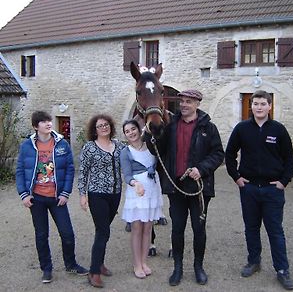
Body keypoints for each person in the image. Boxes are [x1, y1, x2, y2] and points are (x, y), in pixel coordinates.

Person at [145, 89, 224, 286]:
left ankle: (198, 267)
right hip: (176, 187)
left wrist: (202, 168)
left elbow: (218, 154)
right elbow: (158, 149)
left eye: (189, 101)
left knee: (199, 229)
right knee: (177, 229)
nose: (184, 105)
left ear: (197, 103)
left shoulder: (208, 128)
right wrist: (150, 136)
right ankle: (178, 268)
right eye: (182, 102)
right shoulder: (170, 126)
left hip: (199, 188)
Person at [225, 90, 293, 291]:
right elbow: (229, 154)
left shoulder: (279, 130)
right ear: (251, 106)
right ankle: (254, 261)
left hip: (272, 190)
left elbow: (289, 158)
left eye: (263, 104)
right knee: (251, 228)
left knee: (275, 231)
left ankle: (282, 270)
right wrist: (237, 178)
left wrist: (284, 181)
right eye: (255, 103)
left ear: (270, 106)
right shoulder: (242, 129)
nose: (258, 107)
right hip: (249, 189)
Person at [16, 111, 88, 284]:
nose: (48, 123)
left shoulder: (61, 144)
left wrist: (65, 192)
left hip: (57, 198)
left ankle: (70, 264)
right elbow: (19, 171)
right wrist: (24, 194)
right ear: (35, 126)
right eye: (43, 122)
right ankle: (46, 269)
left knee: (67, 233)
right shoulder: (27, 146)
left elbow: (70, 169)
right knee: (41, 235)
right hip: (36, 198)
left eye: (49, 120)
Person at [78, 114, 125, 288]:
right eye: (100, 126)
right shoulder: (89, 147)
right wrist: (82, 195)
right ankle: (94, 272)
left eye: (106, 125)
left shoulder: (119, 146)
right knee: (102, 231)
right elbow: (83, 172)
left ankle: (99, 263)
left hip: (116, 194)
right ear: (94, 130)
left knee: (104, 231)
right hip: (97, 194)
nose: (104, 127)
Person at [120, 119, 163, 279]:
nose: (131, 133)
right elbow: (127, 174)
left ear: (139, 130)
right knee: (137, 228)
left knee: (148, 229)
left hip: (152, 189)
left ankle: (144, 262)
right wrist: (135, 183)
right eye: (127, 131)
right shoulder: (126, 152)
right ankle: (136, 264)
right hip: (137, 192)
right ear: (125, 135)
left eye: (133, 129)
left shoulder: (151, 147)